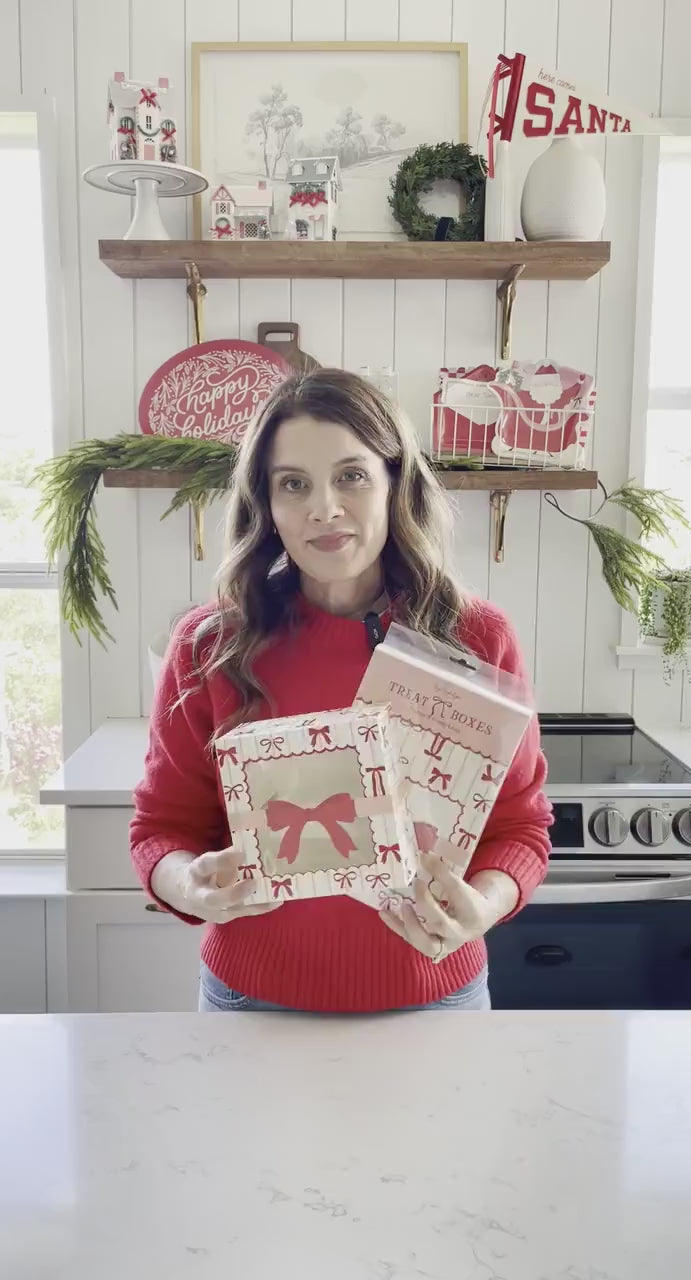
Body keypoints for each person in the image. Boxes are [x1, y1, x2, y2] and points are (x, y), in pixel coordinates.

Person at [130, 369, 552, 1013]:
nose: (324, 508)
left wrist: (482, 907)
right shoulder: (208, 643)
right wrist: (187, 885)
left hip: (435, 1001)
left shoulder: (476, 635)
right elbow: (161, 827)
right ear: (266, 506)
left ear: (393, 483)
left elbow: (521, 828)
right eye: (293, 484)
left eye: (351, 476)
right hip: (253, 1002)